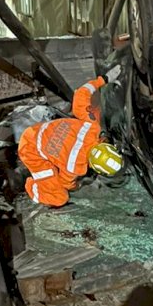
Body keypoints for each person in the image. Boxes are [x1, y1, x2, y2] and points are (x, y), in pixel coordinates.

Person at [18, 66, 124, 209]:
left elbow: (81, 94)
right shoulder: (75, 167)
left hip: (36, 130)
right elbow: (67, 183)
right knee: (59, 197)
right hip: (30, 150)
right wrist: (77, 185)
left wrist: (104, 79)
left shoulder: (92, 127)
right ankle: (32, 187)